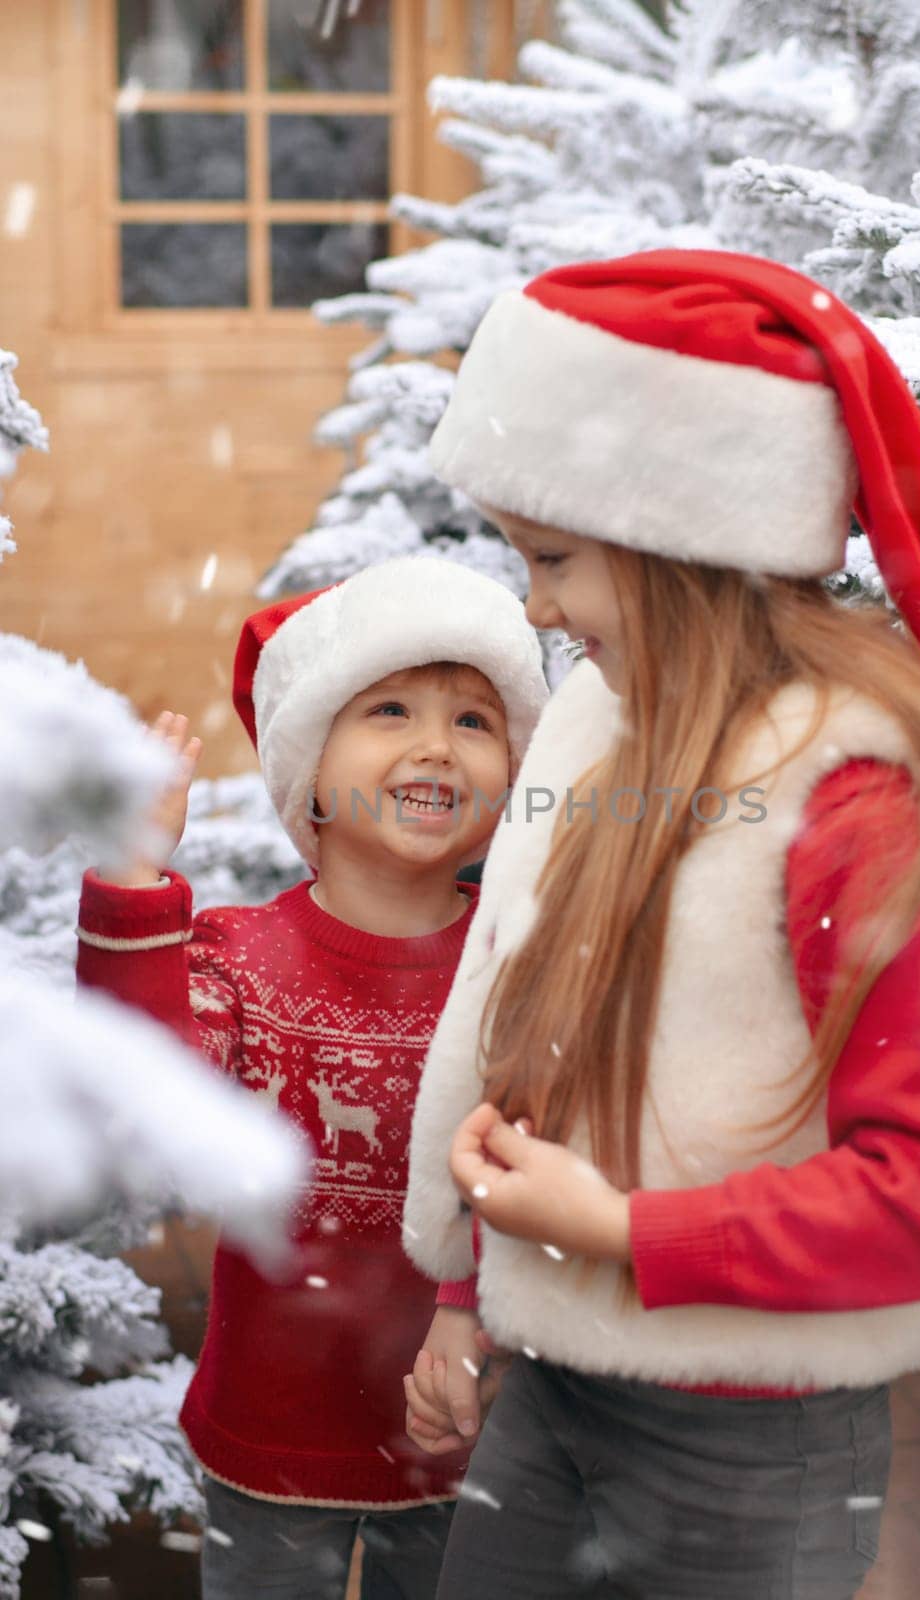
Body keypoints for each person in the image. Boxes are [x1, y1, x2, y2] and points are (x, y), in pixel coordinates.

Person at [398, 252, 920, 1599]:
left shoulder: (852, 800)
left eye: (554, 559)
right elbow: (516, 1017)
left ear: (678, 542)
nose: (531, 606)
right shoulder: (603, 719)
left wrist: (627, 1234)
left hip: (750, 1448)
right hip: (553, 1393)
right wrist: (469, 1295)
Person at [74, 556, 548, 1600]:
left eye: (474, 719)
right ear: (309, 769)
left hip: (467, 1433)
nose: (435, 743)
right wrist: (134, 876)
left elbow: (549, 1171)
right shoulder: (239, 958)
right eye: (390, 708)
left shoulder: (516, 969)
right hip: (271, 1437)